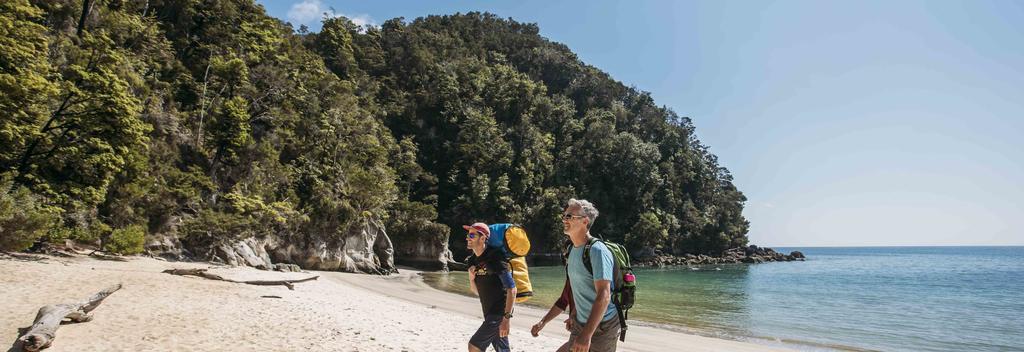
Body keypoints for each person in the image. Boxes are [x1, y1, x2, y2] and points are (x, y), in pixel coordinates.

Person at [562, 199, 619, 352]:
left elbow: (604, 295)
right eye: (565, 215)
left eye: (570, 216)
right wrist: (574, 313)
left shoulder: (597, 251)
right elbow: (580, 287)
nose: (564, 219)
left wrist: (587, 335)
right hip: (581, 322)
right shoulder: (572, 250)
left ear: (585, 221)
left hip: (603, 325)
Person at [464, 222, 517, 352]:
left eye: (472, 235)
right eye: (468, 235)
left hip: (499, 313)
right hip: (488, 312)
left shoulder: (495, 257)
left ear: (482, 238)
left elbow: (512, 288)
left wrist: (506, 319)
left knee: (474, 346)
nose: (467, 238)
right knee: (502, 350)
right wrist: (471, 280)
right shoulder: (472, 261)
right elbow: (477, 292)